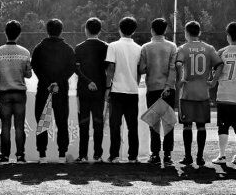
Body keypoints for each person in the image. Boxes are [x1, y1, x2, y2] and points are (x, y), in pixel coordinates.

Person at [175, 20, 222, 166]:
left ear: (186, 33)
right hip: (203, 92)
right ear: (199, 32)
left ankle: (188, 157)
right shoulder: (209, 48)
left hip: (187, 93)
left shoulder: (183, 48)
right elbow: (220, 64)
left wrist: (180, 79)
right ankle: (200, 157)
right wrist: (213, 81)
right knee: (201, 126)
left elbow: (178, 64)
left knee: (187, 126)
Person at [31, 18, 77, 162]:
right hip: (61, 89)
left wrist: (47, 82)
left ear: (47, 30)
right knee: (62, 122)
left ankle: (42, 156)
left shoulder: (39, 48)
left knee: (42, 121)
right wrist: (58, 81)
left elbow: (35, 67)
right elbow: (71, 68)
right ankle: (62, 155)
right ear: (61, 31)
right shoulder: (68, 49)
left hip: (43, 89)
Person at [0, 20, 32, 163]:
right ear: (19, 34)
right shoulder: (25, 52)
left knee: (5, 126)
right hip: (20, 93)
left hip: (4, 93)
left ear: (5, 32)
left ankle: (4, 156)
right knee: (19, 126)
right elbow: (28, 74)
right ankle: (20, 155)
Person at [138, 17, 177, 165]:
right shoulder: (172, 46)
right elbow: (173, 68)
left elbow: (142, 69)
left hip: (153, 88)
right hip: (168, 89)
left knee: (154, 123)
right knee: (168, 122)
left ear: (152, 30)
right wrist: (168, 85)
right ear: (165, 30)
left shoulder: (145, 47)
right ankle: (167, 155)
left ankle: (155, 154)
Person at [105, 16, 142, 163]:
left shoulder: (113, 46)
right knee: (133, 126)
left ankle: (114, 155)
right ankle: (133, 157)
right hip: (132, 91)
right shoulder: (139, 48)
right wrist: (134, 83)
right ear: (134, 31)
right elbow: (139, 71)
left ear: (119, 29)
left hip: (117, 91)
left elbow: (110, 69)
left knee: (115, 125)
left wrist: (107, 87)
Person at [213, 21, 236, 166]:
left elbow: (215, 70)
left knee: (223, 127)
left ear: (228, 36)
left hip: (224, 95)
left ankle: (222, 156)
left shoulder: (222, 52)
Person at [74, 17, 108, 162]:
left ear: (86, 30)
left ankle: (82, 155)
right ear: (99, 31)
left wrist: (88, 82)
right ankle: (98, 155)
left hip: (83, 90)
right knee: (98, 122)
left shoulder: (79, 47)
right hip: (100, 90)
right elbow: (108, 69)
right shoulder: (106, 47)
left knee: (83, 122)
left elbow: (76, 69)